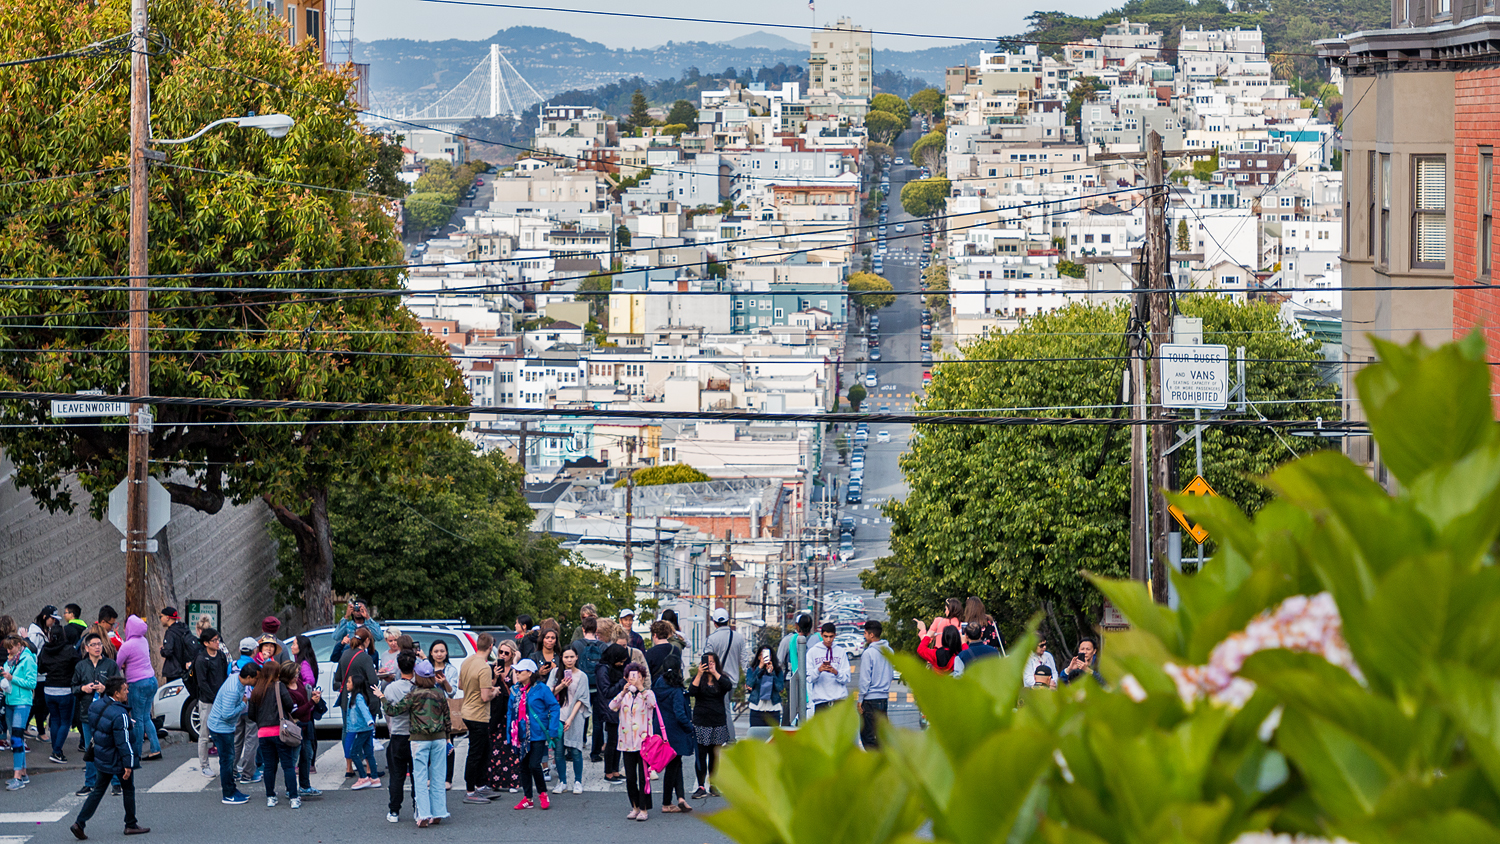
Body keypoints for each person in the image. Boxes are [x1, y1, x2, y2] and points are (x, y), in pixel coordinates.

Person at [69, 677, 148, 839]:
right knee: (128, 789)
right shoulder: (121, 714)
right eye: (125, 689)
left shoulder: (96, 706)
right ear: (117, 693)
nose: (127, 692)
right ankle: (130, 824)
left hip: (102, 755)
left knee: (97, 790)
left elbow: (98, 728)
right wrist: (128, 763)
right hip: (118, 758)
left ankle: (80, 822)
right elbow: (123, 742)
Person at [382, 660, 452, 827]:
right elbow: (447, 718)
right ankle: (439, 812)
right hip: (440, 738)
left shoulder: (414, 694)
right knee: (438, 776)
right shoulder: (439, 693)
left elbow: (394, 710)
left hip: (419, 739)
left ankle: (423, 814)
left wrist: (383, 698)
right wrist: (448, 737)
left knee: (419, 777)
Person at [71, 633, 120, 798]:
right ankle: (89, 783)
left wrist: (105, 689)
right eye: (93, 644)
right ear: (86, 648)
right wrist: (83, 689)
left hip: (107, 713)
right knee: (90, 748)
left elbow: (119, 687)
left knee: (110, 747)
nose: (98, 647)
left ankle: (116, 783)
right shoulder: (81, 666)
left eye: (99, 644)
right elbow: (73, 687)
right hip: (87, 713)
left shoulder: (110, 665)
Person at [506, 658, 560, 811]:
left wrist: (553, 729)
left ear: (530, 673)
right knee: (523, 765)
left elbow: (554, 707)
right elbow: (510, 712)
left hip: (537, 733)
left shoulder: (541, 688)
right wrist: (509, 734)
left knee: (534, 764)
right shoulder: (515, 690)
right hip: (520, 734)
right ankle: (528, 798)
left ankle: (543, 793)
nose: (516, 674)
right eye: (516, 671)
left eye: (519, 671)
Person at [610, 662, 657, 821]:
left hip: (644, 743)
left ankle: (644, 809)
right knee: (630, 778)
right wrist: (622, 692)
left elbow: (652, 704)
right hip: (626, 743)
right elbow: (612, 706)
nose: (633, 680)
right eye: (630, 677)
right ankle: (635, 806)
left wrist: (641, 688)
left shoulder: (648, 693)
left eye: (637, 677)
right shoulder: (625, 696)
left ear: (643, 678)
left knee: (644, 778)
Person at [250, 660, 300, 808]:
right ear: (277, 673)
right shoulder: (279, 686)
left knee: (269, 766)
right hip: (280, 731)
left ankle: (270, 797)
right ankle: (293, 798)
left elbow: (251, 714)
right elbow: (289, 706)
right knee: (288, 765)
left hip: (263, 733)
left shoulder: (256, 690)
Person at [206, 661, 257, 805]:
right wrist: (243, 704)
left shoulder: (237, 679)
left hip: (225, 727)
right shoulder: (233, 690)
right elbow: (226, 714)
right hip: (220, 728)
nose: (256, 682)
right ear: (248, 677)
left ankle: (233, 790)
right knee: (227, 761)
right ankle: (228, 794)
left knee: (229, 759)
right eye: (255, 679)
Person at [458, 632, 499, 805]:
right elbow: (485, 696)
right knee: (475, 753)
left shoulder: (467, 661)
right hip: (478, 715)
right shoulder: (483, 667)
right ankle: (470, 790)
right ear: (490, 647)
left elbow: (460, 685)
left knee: (483, 750)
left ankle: (481, 785)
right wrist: (494, 691)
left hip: (467, 710)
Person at [114, 616, 161, 761]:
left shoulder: (127, 645)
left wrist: (124, 666)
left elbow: (117, 663)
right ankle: (155, 748)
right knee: (146, 717)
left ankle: (136, 753)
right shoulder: (143, 641)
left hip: (137, 683)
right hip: (152, 680)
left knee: (137, 718)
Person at [376, 652, 416, 823]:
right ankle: (418, 807)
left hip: (398, 734)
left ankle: (394, 810)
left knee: (396, 775)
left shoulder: (391, 688)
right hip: (416, 735)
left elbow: (388, 711)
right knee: (417, 775)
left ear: (398, 666)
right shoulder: (420, 687)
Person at [335, 627, 378, 783]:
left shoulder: (345, 654)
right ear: (366, 641)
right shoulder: (365, 658)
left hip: (347, 700)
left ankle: (348, 767)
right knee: (366, 733)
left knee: (348, 732)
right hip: (363, 700)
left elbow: (338, 677)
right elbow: (373, 681)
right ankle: (368, 768)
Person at [687, 650, 732, 799]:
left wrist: (715, 672)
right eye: (707, 662)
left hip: (717, 721)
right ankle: (701, 786)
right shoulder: (699, 678)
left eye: (712, 662)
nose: (710, 665)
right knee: (701, 755)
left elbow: (728, 686)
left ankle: (713, 784)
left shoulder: (721, 678)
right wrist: (700, 674)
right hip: (701, 721)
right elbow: (691, 691)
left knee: (714, 755)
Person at [652, 662, 694, 814]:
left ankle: (681, 797)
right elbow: (680, 713)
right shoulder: (676, 689)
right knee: (673, 766)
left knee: (676, 764)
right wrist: (690, 728)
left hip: (660, 730)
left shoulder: (657, 685)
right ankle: (666, 802)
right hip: (675, 731)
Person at [568, 616, 607, 763]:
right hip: (598, 687)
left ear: (583, 629)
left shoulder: (576, 644)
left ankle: (573, 750)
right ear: (596, 630)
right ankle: (595, 753)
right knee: (597, 721)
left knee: (578, 718)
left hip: (580, 687)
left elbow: (570, 663)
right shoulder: (603, 646)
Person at [40, 623, 80, 763]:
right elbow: (78, 666)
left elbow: (40, 668)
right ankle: (56, 751)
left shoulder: (45, 649)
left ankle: (56, 749)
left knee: (55, 719)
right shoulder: (69, 649)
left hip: (49, 689)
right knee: (65, 722)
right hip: (65, 690)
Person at [191, 628, 227, 779]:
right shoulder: (201, 659)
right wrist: (215, 698)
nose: (217, 642)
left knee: (224, 733)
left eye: (218, 639)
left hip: (221, 699)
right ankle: (204, 765)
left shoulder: (221, 655)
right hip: (207, 701)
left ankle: (226, 762)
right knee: (204, 735)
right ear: (206, 643)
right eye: (214, 640)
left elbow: (225, 675)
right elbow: (202, 683)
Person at [551, 647, 589, 794]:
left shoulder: (582, 676)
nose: (569, 660)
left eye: (572, 657)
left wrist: (571, 718)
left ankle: (578, 781)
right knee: (559, 751)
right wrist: (562, 685)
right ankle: (562, 782)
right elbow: (548, 693)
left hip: (575, 716)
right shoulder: (555, 673)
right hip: (558, 715)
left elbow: (582, 699)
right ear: (562, 658)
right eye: (566, 657)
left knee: (576, 750)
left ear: (576, 657)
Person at [288, 635, 321, 796]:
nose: (292, 646)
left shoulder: (303, 664)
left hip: (304, 712)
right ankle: (299, 786)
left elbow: (310, 680)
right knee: (303, 750)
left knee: (303, 751)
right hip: (305, 712)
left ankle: (303, 785)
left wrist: (307, 695)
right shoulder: (298, 661)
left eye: (294, 644)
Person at [3, 635, 38, 789]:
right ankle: (22, 773)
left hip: (22, 702)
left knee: (16, 738)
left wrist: (12, 678)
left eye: (10, 647)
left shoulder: (28, 660)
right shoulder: (10, 660)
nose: (8, 651)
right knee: (17, 738)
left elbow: (32, 683)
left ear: (18, 645)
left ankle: (17, 776)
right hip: (10, 700)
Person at [426, 640, 458, 790]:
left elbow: (452, 692)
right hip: (427, 710)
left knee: (447, 742)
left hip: (444, 710)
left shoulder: (451, 669)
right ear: (431, 653)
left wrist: (444, 682)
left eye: (442, 651)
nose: (439, 654)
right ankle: (428, 777)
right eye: (436, 651)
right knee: (428, 743)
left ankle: (447, 778)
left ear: (446, 653)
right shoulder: (425, 668)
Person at [857, 620, 892, 750]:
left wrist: (860, 700)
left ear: (871, 635)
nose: (864, 636)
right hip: (884, 698)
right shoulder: (889, 651)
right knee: (881, 735)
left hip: (870, 699)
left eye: (865, 633)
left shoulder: (868, 653)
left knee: (868, 736)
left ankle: (875, 764)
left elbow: (865, 679)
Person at [596, 643, 628, 782]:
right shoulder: (603, 669)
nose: (621, 663)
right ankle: (608, 771)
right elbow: (606, 691)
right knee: (612, 741)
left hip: (618, 708)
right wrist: (623, 683)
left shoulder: (613, 667)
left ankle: (615, 770)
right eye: (620, 660)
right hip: (609, 709)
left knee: (618, 741)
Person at [231, 638, 260, 785]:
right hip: (251, 706)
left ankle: (233, 770)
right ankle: (248, 773)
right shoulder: (256, 667)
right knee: (251, 740)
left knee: (236, 740)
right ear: (254, 651)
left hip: (235, 705)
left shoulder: (232, 665)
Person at [27, 606, 58, 740]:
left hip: (44, 673)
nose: (54, 622)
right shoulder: (35, 634)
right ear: (45, 617)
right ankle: (40, 732)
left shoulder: (44, 631)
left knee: (40, 702)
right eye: (52, 618)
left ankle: (26, 726)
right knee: (40, 703)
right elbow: (32, 653)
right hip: (38, 674)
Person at [806, 622, 851, 714]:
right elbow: (809, 678)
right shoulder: (812, 652)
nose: (828, 640)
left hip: (839, 701)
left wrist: (835, 672)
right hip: (821, 702)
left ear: (835, 635)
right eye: (826, 636)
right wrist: (819, 670)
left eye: (831, 636)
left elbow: (847, 678)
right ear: (821, 635)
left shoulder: (841, 651)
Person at [778, 614, 812, 727]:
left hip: (791, 677)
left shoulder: (789, 640)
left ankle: (787, 728)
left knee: (792, 705)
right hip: (811, 678)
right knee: (803, 706)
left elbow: (779, 661)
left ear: (797, 626)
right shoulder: (815, 640)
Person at [329, 600, 381, 665]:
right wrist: (346, 616)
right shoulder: (347, 625)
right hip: (349, 658)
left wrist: (367, 617)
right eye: (356, 608)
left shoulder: (370, 625)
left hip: (366, 657)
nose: (358, 611)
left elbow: (379, 637)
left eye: (361, 608)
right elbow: (336, 636)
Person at [703, 608, 746, 685]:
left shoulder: (711, 638)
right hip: (733, 680)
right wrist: (748, 678)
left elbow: (707, 660)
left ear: (714, 622)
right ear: (728, 620)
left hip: (716, 680)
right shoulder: (738, 637)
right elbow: (744, 660)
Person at [743, 647, 783, 728]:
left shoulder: (778, 670)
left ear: (771, 657)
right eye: (762, 655)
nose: (764, 657)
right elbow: (749, 684)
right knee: (756, 738)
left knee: (773, 738)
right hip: (756, 709)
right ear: (758, 657)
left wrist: (772, 673)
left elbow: (780, 688)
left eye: (767, 655)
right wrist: (759, 668)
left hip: (773, 710)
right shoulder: (752, 670)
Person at [158, 607, 196, 686]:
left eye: (161, 616)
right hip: (185, 669)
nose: (160, 619)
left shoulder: (170, 632)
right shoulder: (184, 628)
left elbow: (168, 651)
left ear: (167, 618)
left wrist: (162, 650)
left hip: (174, 671)